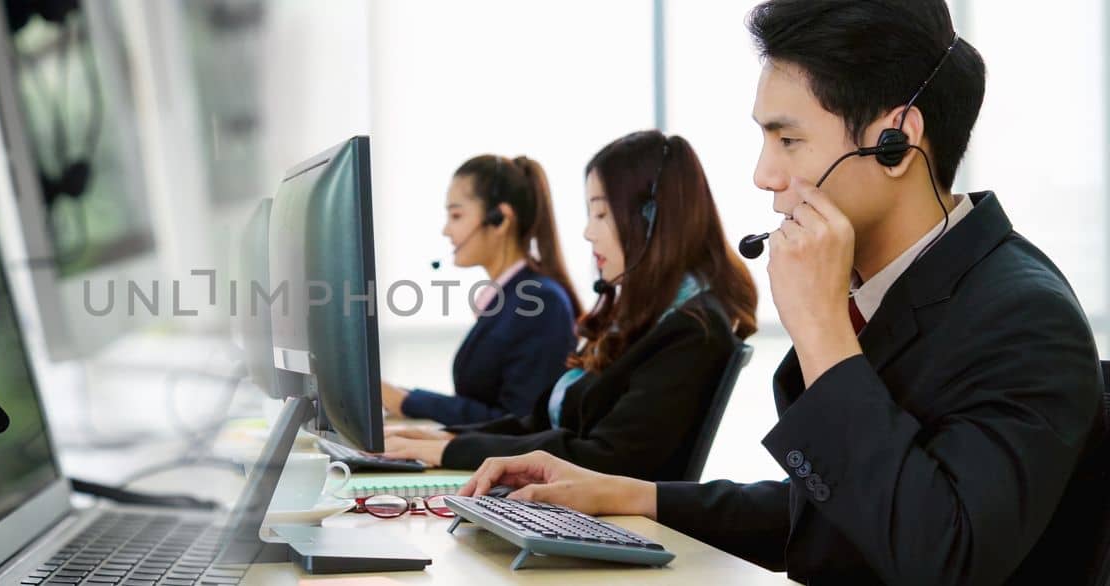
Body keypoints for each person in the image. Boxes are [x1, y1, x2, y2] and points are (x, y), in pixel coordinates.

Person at [457, 2, 1106, 584]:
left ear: (895, 142)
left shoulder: (1023, 317)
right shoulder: (886, 288)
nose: (764, 176)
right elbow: (833, 508)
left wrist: (823, 330)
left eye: (788, 139)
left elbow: (941, 554)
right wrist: (626, 494)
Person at [381, 131, 758, 477]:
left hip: (615, 528)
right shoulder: (637, 320)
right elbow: (539, 422)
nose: (587, 231)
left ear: (653, 219)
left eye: (601, 213)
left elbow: (603, 457)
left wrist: (451, 450)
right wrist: (448, 439)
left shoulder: (691, 329)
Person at [379, 154, 581, 426]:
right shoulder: (509, 298)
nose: (446, 230)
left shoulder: (540, 301)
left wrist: (409, 402)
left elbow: (520, 422)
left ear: (500, 219)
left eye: (456, 215)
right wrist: (405, 399)